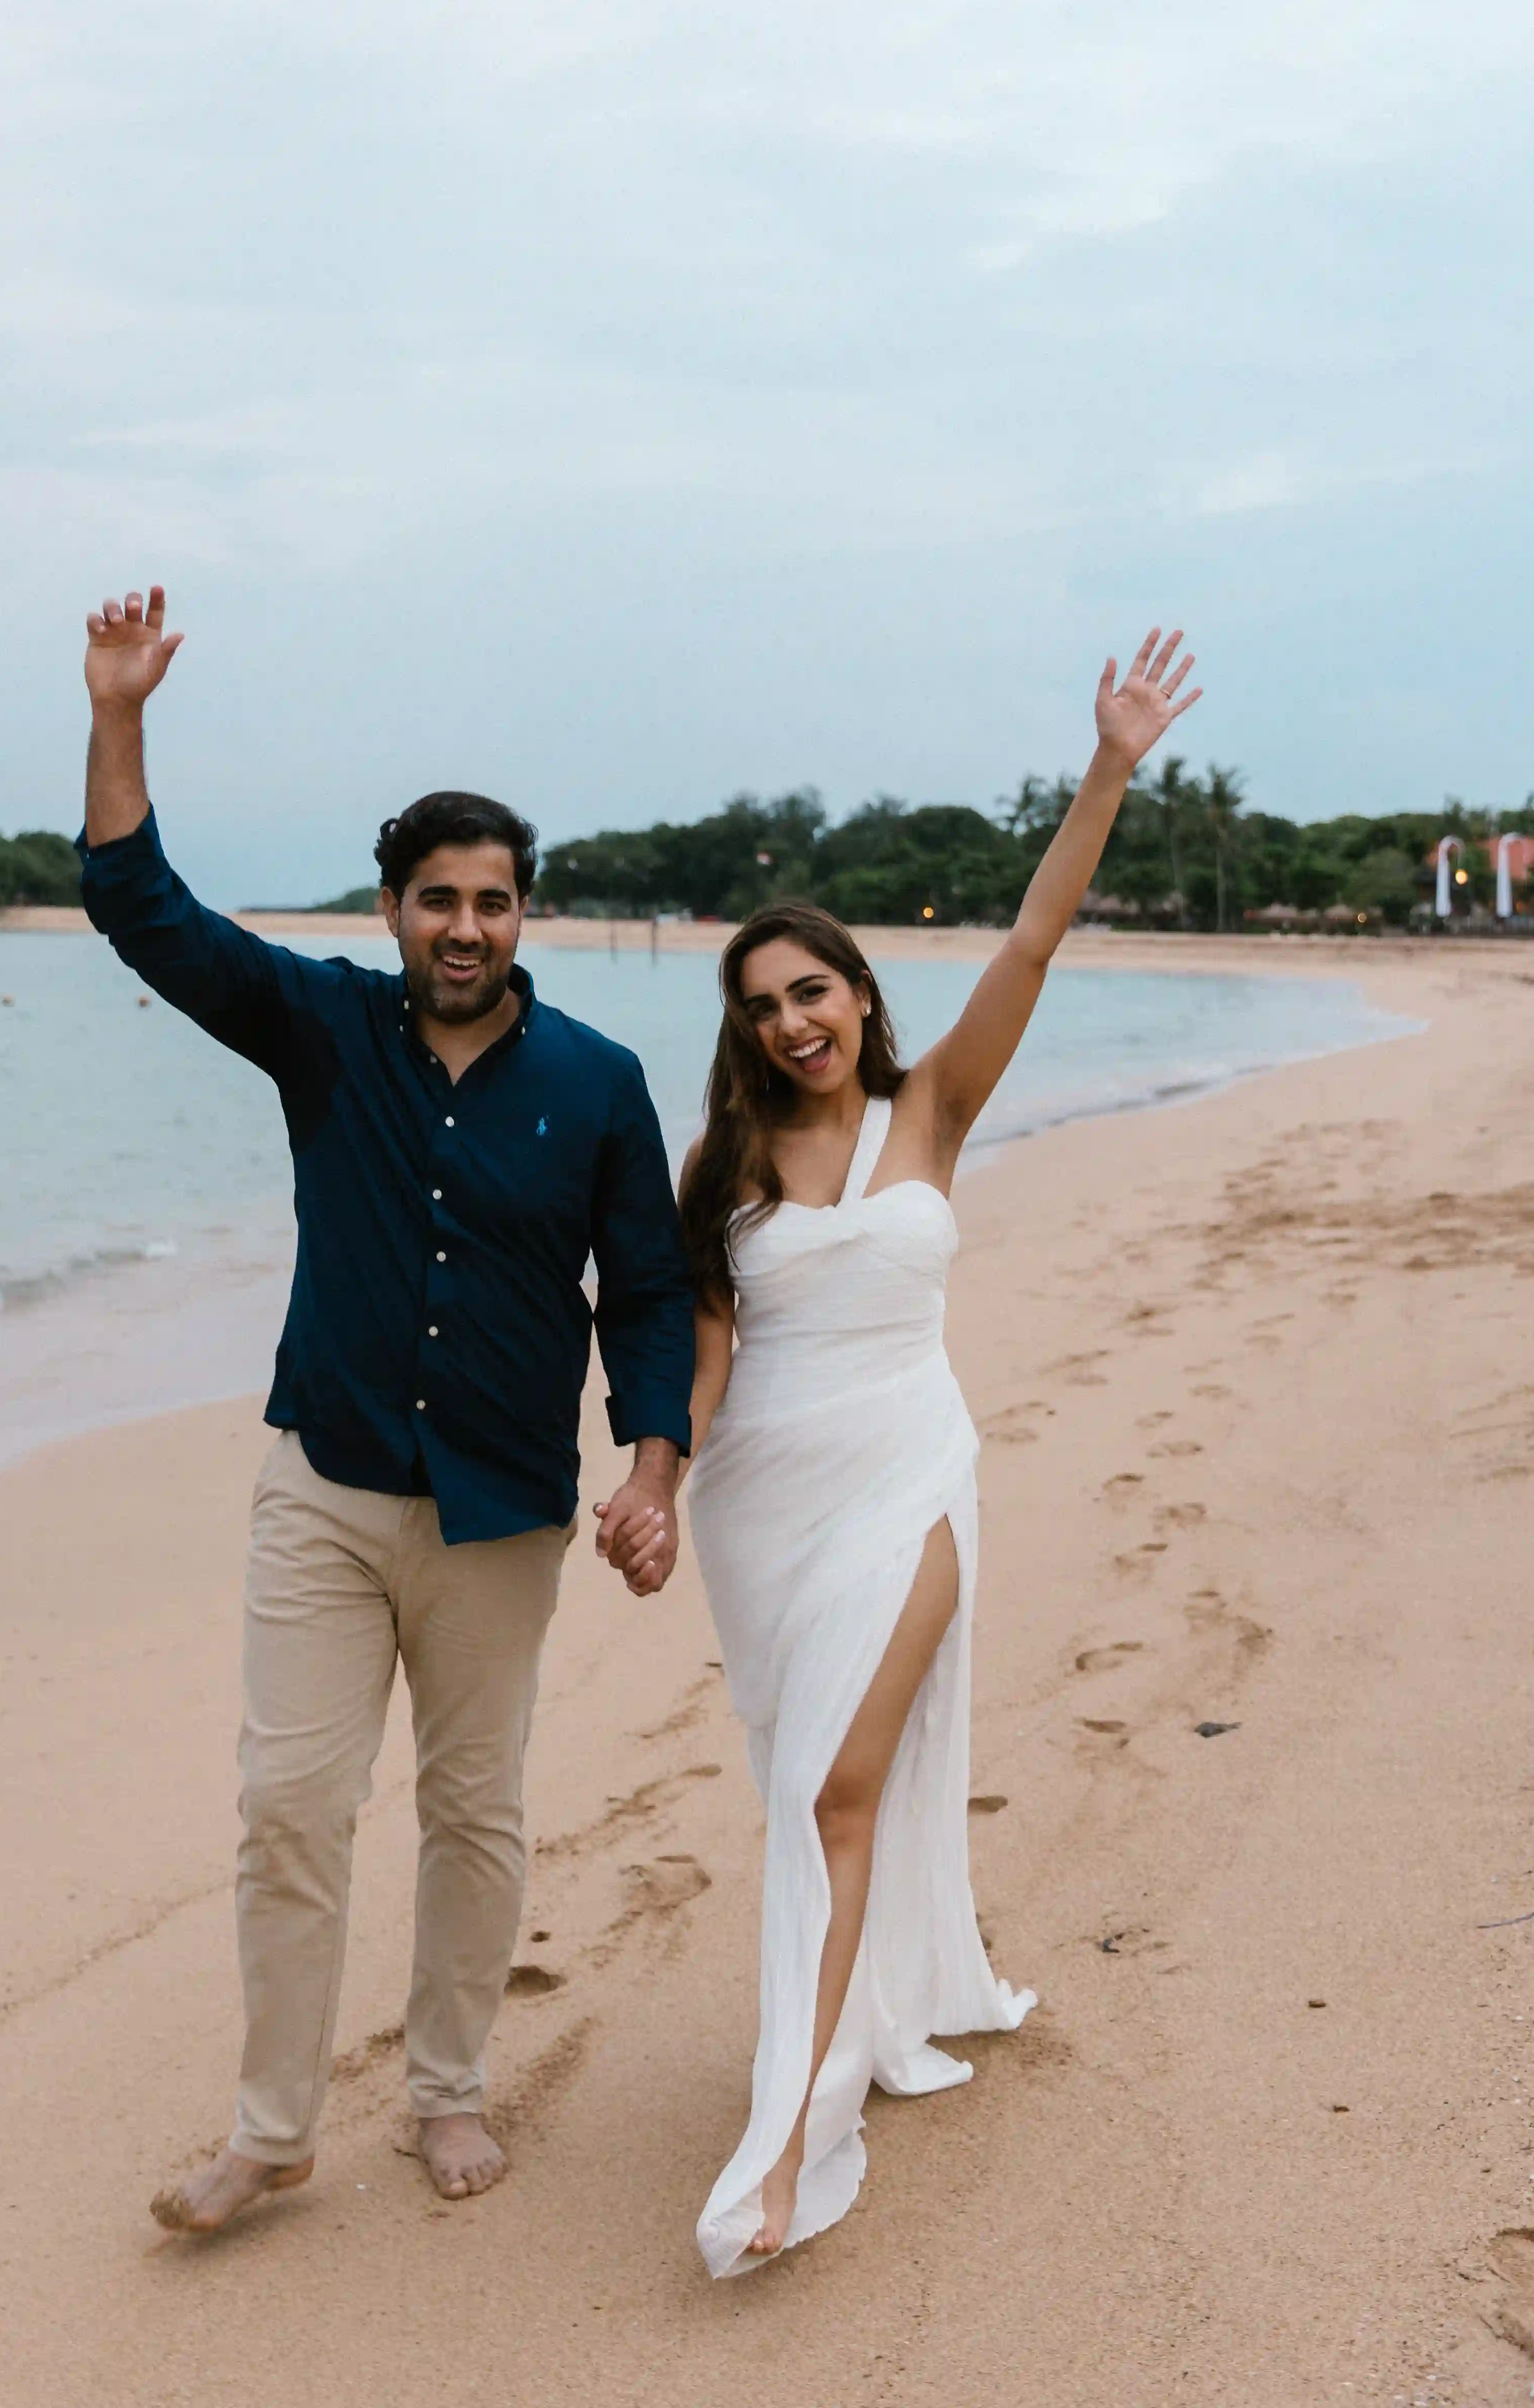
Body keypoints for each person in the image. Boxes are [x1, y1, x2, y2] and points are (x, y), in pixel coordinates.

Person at [74, 586, 694, 2232]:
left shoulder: (601, 1083)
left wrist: (656, 1468)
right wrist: (121, 714)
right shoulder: (325, 1033)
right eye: (440, 900)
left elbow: (643, 1292)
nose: (468, 926)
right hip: (327, 1487)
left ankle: (449, 2092)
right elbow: (144, 911)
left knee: (475, 1811)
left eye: (494, 900)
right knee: (290, 1803)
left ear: (524, 912)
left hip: (503, 1512)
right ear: (395, 906)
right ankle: (274, 2133)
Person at [653, 627, 1201, 2274]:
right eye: (761, 1006)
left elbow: (1035, 942)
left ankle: (789, 2144)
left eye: (811, 990)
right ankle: (866, 2005)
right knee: (811, 1782)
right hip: (768, 1521)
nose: (791, 1022)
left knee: (836, 1788)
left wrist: (1108, 761)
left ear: (859, 994)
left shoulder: (933, 1109)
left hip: (908, 1479)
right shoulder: (719, 1175)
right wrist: (653, 1487)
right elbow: (704, 1368)